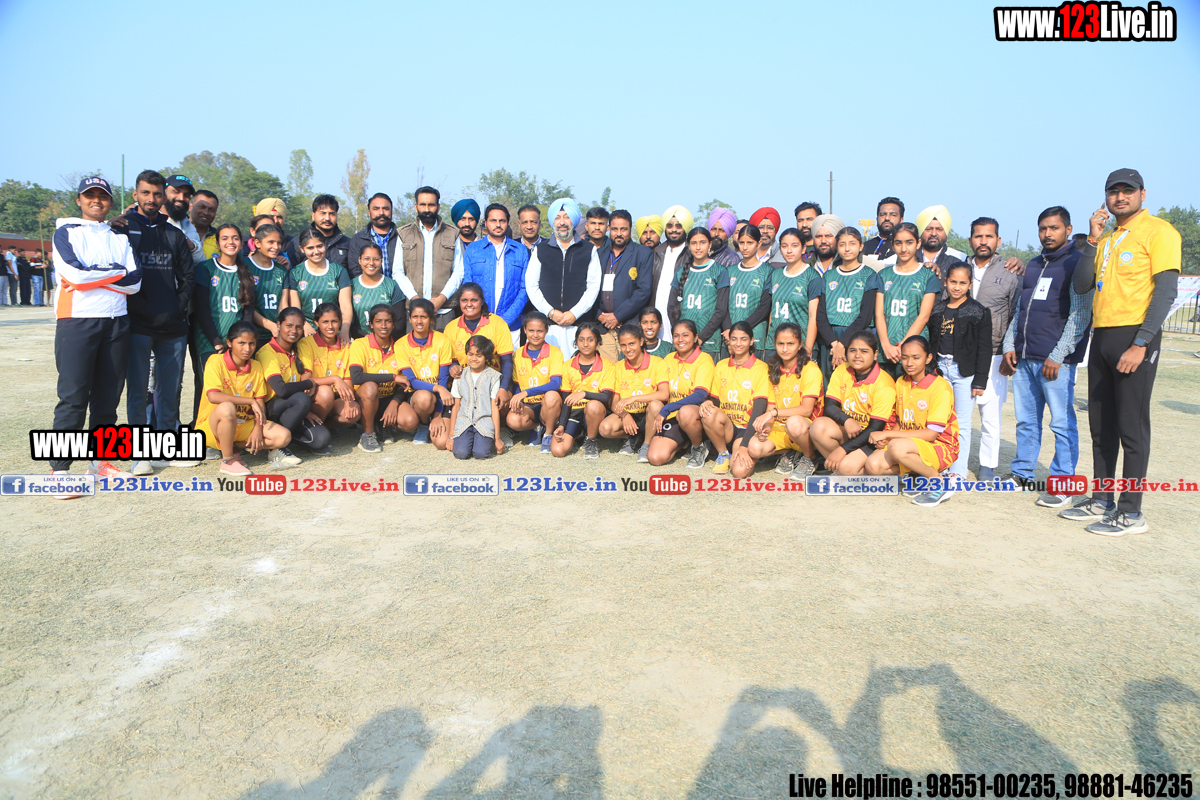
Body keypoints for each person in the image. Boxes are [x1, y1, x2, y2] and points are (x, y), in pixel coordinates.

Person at [1060, 168, 1181, 536]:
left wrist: (1141, 343)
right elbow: (1082, 284)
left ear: (1143, 194)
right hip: (1103, 337)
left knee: (1131, 427)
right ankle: (1102, 499)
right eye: (1114, 191)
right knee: (1101, 426)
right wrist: (1093, 240)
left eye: (1128, 190)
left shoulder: (1159, 231)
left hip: (1134, 336)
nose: (1120, 197)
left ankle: (1131, 512)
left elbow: (1166, 293)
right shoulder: (1109, 237)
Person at [48, 176, 142, 483]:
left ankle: (101, 462)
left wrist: (94, 277)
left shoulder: (119, 237)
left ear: (110, 202)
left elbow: (135, 281)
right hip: (76, 320)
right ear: (79, 200)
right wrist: (115, 273)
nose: (96, 200)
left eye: (102, 196)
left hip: (117, 321)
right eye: (89, 195)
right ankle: (59, 470)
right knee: (73, 396)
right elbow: (74, 275)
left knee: (108, 397)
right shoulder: (66, 232)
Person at [1001, 206, 1092, 507]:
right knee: (1026, 422)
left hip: (1055, 363)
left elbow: (1080, 315)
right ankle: (1022, 474)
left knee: (1061, 424)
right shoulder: (1034, 264)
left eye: (1054, 228)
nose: (1047, 233)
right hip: (1026, 358)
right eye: (1043, 228)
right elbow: (1021, 311)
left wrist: (1059, 354)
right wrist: (1010, 344)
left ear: (1068, 229)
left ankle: (1063, 482)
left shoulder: (1077, 264)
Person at [122, 170, 195, 444]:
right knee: (138, 389)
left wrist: (176, 308)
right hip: (138, 325)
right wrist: (142, 309)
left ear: (163, 196)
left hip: (173, 326)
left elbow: (188, 278)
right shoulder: (123, 229)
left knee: (169, 389)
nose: (151, 199)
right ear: (135, 195)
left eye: (156, 194)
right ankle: (139, 447)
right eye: (145, 193)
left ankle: (167, 443)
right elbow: (120, 277)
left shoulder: (174, 234)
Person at [182, 223, 256, 463]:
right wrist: (216, 341)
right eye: (225, 238)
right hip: (209, 341)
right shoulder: (206, 269)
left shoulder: (245, 272)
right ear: (217, 242)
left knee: (233, 389)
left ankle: (228, 437)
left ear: (241, 242)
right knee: (208, 390)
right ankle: (201, 438)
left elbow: (248, 310)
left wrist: (240, 342)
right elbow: (202, 309)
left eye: (235, 238)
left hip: (236, 344)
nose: (230, 242)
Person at [865, 335, 961, 507]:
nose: (909, 363)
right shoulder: (901, 382)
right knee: (873, 465)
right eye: (904, 357)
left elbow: (932, 434)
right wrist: (887, 438)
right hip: (911, 444)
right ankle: (918, 476)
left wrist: (887, 435)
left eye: (916, 357)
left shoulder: (940, 387)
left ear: (928, 358)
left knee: (897, 447)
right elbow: (901, 421)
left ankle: (939, 481)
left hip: (940, 445)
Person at [962, 217, 1021, 481]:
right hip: (960, 354)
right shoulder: (958, 269)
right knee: (958, 415)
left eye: (989, 236)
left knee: (990, 416)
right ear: (970, 240)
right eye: (978, 236)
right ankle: (954, 464)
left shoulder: (1011, 272)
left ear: (998, 240)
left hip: (995, 353)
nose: (983, 241)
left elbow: (1015, 314)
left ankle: (987, 467)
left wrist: (1010, 350)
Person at [195, 321, 291, 476]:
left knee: (283, 437)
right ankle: (228, 461)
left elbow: (260, 403)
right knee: (227, 407)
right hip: (211, 426)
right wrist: (249, 401)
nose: (247, 348)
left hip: (243, 423)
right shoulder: (215, 361)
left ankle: (235, 447)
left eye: (251, 343)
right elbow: (213, 396)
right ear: (229, 342)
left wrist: (258, 428)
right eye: (241, 343)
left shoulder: (256, 366)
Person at [927, 263, 993, 479]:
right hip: (940, 370)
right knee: (939, 420)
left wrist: (980, 380)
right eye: (953, 282)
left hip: (965, 373)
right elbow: (932, 341)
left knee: (962, 424)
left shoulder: (979, 312)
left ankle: (957, 471)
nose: (957, 287)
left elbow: (984, 348)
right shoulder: (937, 309)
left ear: (970, 284)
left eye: (963, 283)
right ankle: (940, 466)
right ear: (946, 282)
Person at [810, 331, 897, 476]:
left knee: (846, 468)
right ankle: (840, 469)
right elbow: (830, 406)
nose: (857, 355)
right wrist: (847, 420)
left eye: (864, 351)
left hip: (874, 438)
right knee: (818, 426)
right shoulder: (842, 370)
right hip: (851, 430)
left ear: (875, 354)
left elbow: (875, 427)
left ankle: (847, 468)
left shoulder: (884, 384)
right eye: (852, 350)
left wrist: (842, 449)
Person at [255, 307, 330, 465]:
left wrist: (303, 410)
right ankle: (276, 448)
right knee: (301, 398)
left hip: (292, 406)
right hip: (271, 409)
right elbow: (281, 390)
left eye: (298, 327)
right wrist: (310, 383)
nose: (294, 331)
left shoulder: (298, 350)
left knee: (322, 440)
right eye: (289, 325)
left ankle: (288, 436)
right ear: (278, 325)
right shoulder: (267, 352)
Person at [525, 198, 599, 352]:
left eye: (567, 217)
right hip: (547, 326)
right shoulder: (541, 250)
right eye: (557, 218)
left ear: (574, 220)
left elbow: (593, 287)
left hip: (578, 326)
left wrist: (574, 313)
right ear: (552, 221)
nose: (562, 222)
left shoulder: (588, 250)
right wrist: (550, 312)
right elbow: (531, 285)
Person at [753, 323, 823, 480]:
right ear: (775, 344)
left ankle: (810, 457)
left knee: (794, 423)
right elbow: (771, 406)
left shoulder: (810, 369)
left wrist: (773, 413)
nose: (785, 349)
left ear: (800, 345)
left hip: (805, 428)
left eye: (790, 344)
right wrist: (766, 428)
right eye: (780, 344)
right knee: (754, 448)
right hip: (781, 427)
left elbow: (807, 410)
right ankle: (791, 452)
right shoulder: (773, 368)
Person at [698, 321, 770, 474]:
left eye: (743, 339)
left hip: (747, 430)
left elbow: (758, 410)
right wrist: (707, 402)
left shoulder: (761, 368)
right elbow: (715, 399)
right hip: (727, 427)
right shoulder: (721, 365)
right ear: (729, 341)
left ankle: (741, 450)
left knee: (739, 472)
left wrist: (744, 445)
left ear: (751, 341)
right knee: (708, 411)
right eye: (734, 339)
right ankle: (723, 453)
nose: (738, 343)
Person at [875, 222, 941, 378]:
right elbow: (879, 314)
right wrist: (886, 345)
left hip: (913, 354)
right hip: (886, 352)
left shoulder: (928, 275)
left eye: (909, 242)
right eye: (898, 243)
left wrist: (903, 346)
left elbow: (923, 316)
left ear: (918, 243)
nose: (904, 248)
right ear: (892, 245)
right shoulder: (883, 274)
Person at [815, 227, 882, 379]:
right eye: (842, 244)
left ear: (861, 246)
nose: (847, 248)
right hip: (830, 338)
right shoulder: (829, 276)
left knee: (854, 382)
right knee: (830, 382)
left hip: (857, 336)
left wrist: (843, 344)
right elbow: (821, 315)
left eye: (852, 243)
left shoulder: (869, 275)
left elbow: (865, 315)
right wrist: (834, 344)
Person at [394, 186, 464, 331]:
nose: (427, 209)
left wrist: (441, 299)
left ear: (438, 206)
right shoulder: (404, 234)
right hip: (415, 312)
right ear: (416, 206)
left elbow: (459, 271)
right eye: (423, 205)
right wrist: (415, 299)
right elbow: (398, 271)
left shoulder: (452, 234)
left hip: (444, 311)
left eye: (431, 205)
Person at [648, 319, 715, 468]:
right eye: (676, 335)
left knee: (685, 412)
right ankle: (684, 442)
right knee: (655, 457)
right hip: (672, 415)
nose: (680, 339)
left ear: (695, 337)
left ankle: (699, 446)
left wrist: (667, 409)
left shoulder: (704, 359)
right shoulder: (668, 359)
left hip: (694, 415)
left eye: (685, 335)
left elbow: (700, 395)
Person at [599, 322, 668, 462]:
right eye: (623, 345)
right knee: (605, 428)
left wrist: (635, 398)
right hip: (630, 413)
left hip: (650, 414)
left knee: (655, 405)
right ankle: (634, 437)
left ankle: (646, 444)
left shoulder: (658, 363)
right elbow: (614, 402)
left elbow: (664, 394)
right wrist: (625, 415)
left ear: (641, 341)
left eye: (632, 344)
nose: (628, 349)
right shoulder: (618, 367)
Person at [348, 304, 411, 453]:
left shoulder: (399, 347)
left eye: (388, 321)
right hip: (365, 399)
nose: (383, 326)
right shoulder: (359, 344)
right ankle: (367, 435)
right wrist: (392, 377)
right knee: (371, 387)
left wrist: (394, 403)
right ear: (371, 324)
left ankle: (382, 426)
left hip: (387, 398)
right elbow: (356, 377)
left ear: (393, 324)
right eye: (378, 321)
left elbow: (404, 383)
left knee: (410, 422)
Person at [445, 282, 515, 414]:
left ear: (482, 301)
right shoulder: (451, 328)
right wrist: (452, 368)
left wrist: (503, 388)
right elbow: (451, 361)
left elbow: (506, 361)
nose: (469, 304)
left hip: (494, 383)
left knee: (501, 405)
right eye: (464, 300)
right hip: (465, 384)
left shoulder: (497, 323)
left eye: (474, 300)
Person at [594, 210, 654, 361]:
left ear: (630, 229)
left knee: (629, 370)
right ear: (609, 228)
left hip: (629, 325)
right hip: (602, 327)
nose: (619, 233)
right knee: (607, 370)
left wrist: (617, 316)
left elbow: (643, 291)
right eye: (615, 229)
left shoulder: (643, 253)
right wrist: (599, 315)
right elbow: (589, 288)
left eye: (624, 229)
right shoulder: (598, 254)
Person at [463, 203, 530, 336]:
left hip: (511, 325)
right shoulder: (473, 249)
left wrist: (505, 320)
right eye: (493, 220)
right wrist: (481, 316)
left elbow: (525, 289)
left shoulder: (520, 250)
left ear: (508, 223)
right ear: (486, 223)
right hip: (479, 322)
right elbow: (467, 285)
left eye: (502, 221)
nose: (498, 225)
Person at [551, 322, 615, 458]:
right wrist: (561, 425)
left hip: (596, 413)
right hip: (574, 413)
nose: (586, 344)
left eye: (590, 340)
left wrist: (584, 394)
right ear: (576, 342)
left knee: (593, 405)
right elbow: (566, 401)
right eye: (581, 340)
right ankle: (578, 433)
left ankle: (591, 440)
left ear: (598, 342)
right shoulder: (567, 366)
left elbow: (606, 397)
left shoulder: (608, 366)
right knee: (558, 450)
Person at [297, 302, 361, 436]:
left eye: (334, 321)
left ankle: (324, 427)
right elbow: (306, 380)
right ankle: (311, 430)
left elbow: (348, 381)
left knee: (354, 413)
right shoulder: (306, 343)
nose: (330, 326)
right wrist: (335, 379)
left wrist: (349, 401)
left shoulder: (346, 346)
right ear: (316, 322)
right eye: (325, 322)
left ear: (340, 322)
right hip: (316, 396)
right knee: (325, 392)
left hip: (337, 397)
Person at [396, 299, 454, 446]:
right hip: (419, 397)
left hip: (441, 397)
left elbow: (443, 379)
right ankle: (423, 424)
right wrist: (438, 388)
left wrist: (438, 415)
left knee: (441, 443)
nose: (419, 321)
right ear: (410, 318)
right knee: (424, 397)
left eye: (424, 317)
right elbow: (411, 381)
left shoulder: (442, 340)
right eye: (415, 316)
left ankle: (435, 418)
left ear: (431, 319)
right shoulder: (401, 344)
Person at [507, 311, 564, 454]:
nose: (535, 335)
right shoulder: (518, 354)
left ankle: (548, 434)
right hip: (529, 405)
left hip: (548, 404)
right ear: (524, 330)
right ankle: (537, 427)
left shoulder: (555, 352)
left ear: (546, 331)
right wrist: (518, 400)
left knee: (552, 396)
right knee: (512, 420)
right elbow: (516, 384)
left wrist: (526, 392)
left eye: (540, 331)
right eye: (531, 330)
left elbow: (555, 383)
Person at [669, 227, 729, 360]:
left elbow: (721, 310)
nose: (698, 247)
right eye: (693, 243)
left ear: (710, 244)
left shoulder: (720, 271)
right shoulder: (680, 272)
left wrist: (700, 338)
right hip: (685, 343)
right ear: (688, 245)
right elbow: (671, 307)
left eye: (702, 242)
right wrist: (683, 336)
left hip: (709, 341)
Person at [767, 228, 823, 367]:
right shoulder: (775, 274)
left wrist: (808, 349)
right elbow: (772, 311)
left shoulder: (811, 276)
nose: (789, 250)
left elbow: (813, 316)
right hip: (775, 345)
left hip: (799, 346)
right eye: (784, 246)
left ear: (803, 248)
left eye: (794, 245)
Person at [285, 228, 352, 340]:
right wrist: (305, 325)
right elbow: (295, 307)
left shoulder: (339, 271)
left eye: (319, 246)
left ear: (325, 244)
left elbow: (345, 306)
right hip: (306, 333)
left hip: (333, 332)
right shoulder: (295, 273)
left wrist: (345, 331)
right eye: (310, 248)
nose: (316, 251)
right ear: (302, 249)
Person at [447, 334, 506, 460]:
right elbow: (456, 406)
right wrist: (451, 436)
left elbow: (494, 408)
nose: (474, 358)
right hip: (464, 421)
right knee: (461, 453)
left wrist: (497, 438)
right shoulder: (460, 375)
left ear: (486, 357)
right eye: (470, 354)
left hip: (484, 422)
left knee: (481, 454)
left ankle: (484, 440)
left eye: (479, 356)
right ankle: (466, 439)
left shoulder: (493, 377)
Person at [724, 224, 773, 357]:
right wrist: (729, 329)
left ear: (759, 243)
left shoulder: (768, 271)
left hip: (755, 335)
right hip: (730, 337)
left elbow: (764, 308)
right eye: (742, 242)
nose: (745, 247)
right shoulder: (729, 271)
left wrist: (739, 330)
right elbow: (723, 304)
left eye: (750, 243)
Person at [247, 223, 293, 346]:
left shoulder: (281, 270)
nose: (276, 247)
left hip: (276, 334)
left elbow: (283, 304)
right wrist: (269, 325)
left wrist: (281, 326)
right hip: (253, 334)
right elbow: (246, 306)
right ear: (257, 243)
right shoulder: (245, 266)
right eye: (271, 242)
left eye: (279, 243)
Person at [350, 242, 406, 338]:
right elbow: (348, 320)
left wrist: (381, 339)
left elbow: (399, 321)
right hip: (359, 341)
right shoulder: (351, 286)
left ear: (381, 261)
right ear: (359, 260)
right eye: (366, 259)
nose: (371, 263)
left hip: (387, 341)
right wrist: (366, 338)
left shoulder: (391, 285)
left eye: (376, 259)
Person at [652, 205, 693, 330]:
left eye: (679, 225)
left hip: (681, 316)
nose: (674, 229)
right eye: (669, 225)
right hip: (657, 316)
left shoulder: (691, 254)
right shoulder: (657, 252)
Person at [284, 194, 352, 269]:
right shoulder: (297, 243)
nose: (327, 218)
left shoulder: (348, 243)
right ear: (313, 216)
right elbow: (292, 272)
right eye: (323, 213)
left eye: (332, 214)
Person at [347, 192, 401, 279]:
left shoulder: (401, 237)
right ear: (369, 212)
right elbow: (355, 270)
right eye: (376, 209)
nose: (381, 212)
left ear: (391, 211)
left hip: (399, 287)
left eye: (386, 209)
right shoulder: (358, 239)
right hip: (369, 287)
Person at [915, 205, 967, 282]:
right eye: (929, 229)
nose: (934, 233)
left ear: (946, 232)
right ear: (921, 231)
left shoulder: (960, 258)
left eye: (939, 229)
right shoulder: (907, 256)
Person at [162, 174, 205, 264]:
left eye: (186, 195)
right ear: (163, 192)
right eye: (176, 192)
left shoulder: (188, 226)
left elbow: (200, 263)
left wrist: (193, 247)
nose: (181, 198)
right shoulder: (150, 218)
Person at [862, 196, 904, 269]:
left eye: (893, 215)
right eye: (882, 214)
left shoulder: (905, 248)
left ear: (901, 220)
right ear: (877, 218)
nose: (887, 218)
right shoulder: (863, 247)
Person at [250, 198, 292, 265]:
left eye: (279, 217)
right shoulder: (243, 245)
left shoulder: (291, 243)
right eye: (271, 217)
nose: (276, 221)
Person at [190, 190, 220, 260]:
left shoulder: (219, 238)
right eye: (201, 207)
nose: (206, 213)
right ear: (190, 207)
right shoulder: (178, 231)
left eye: (211, 210)